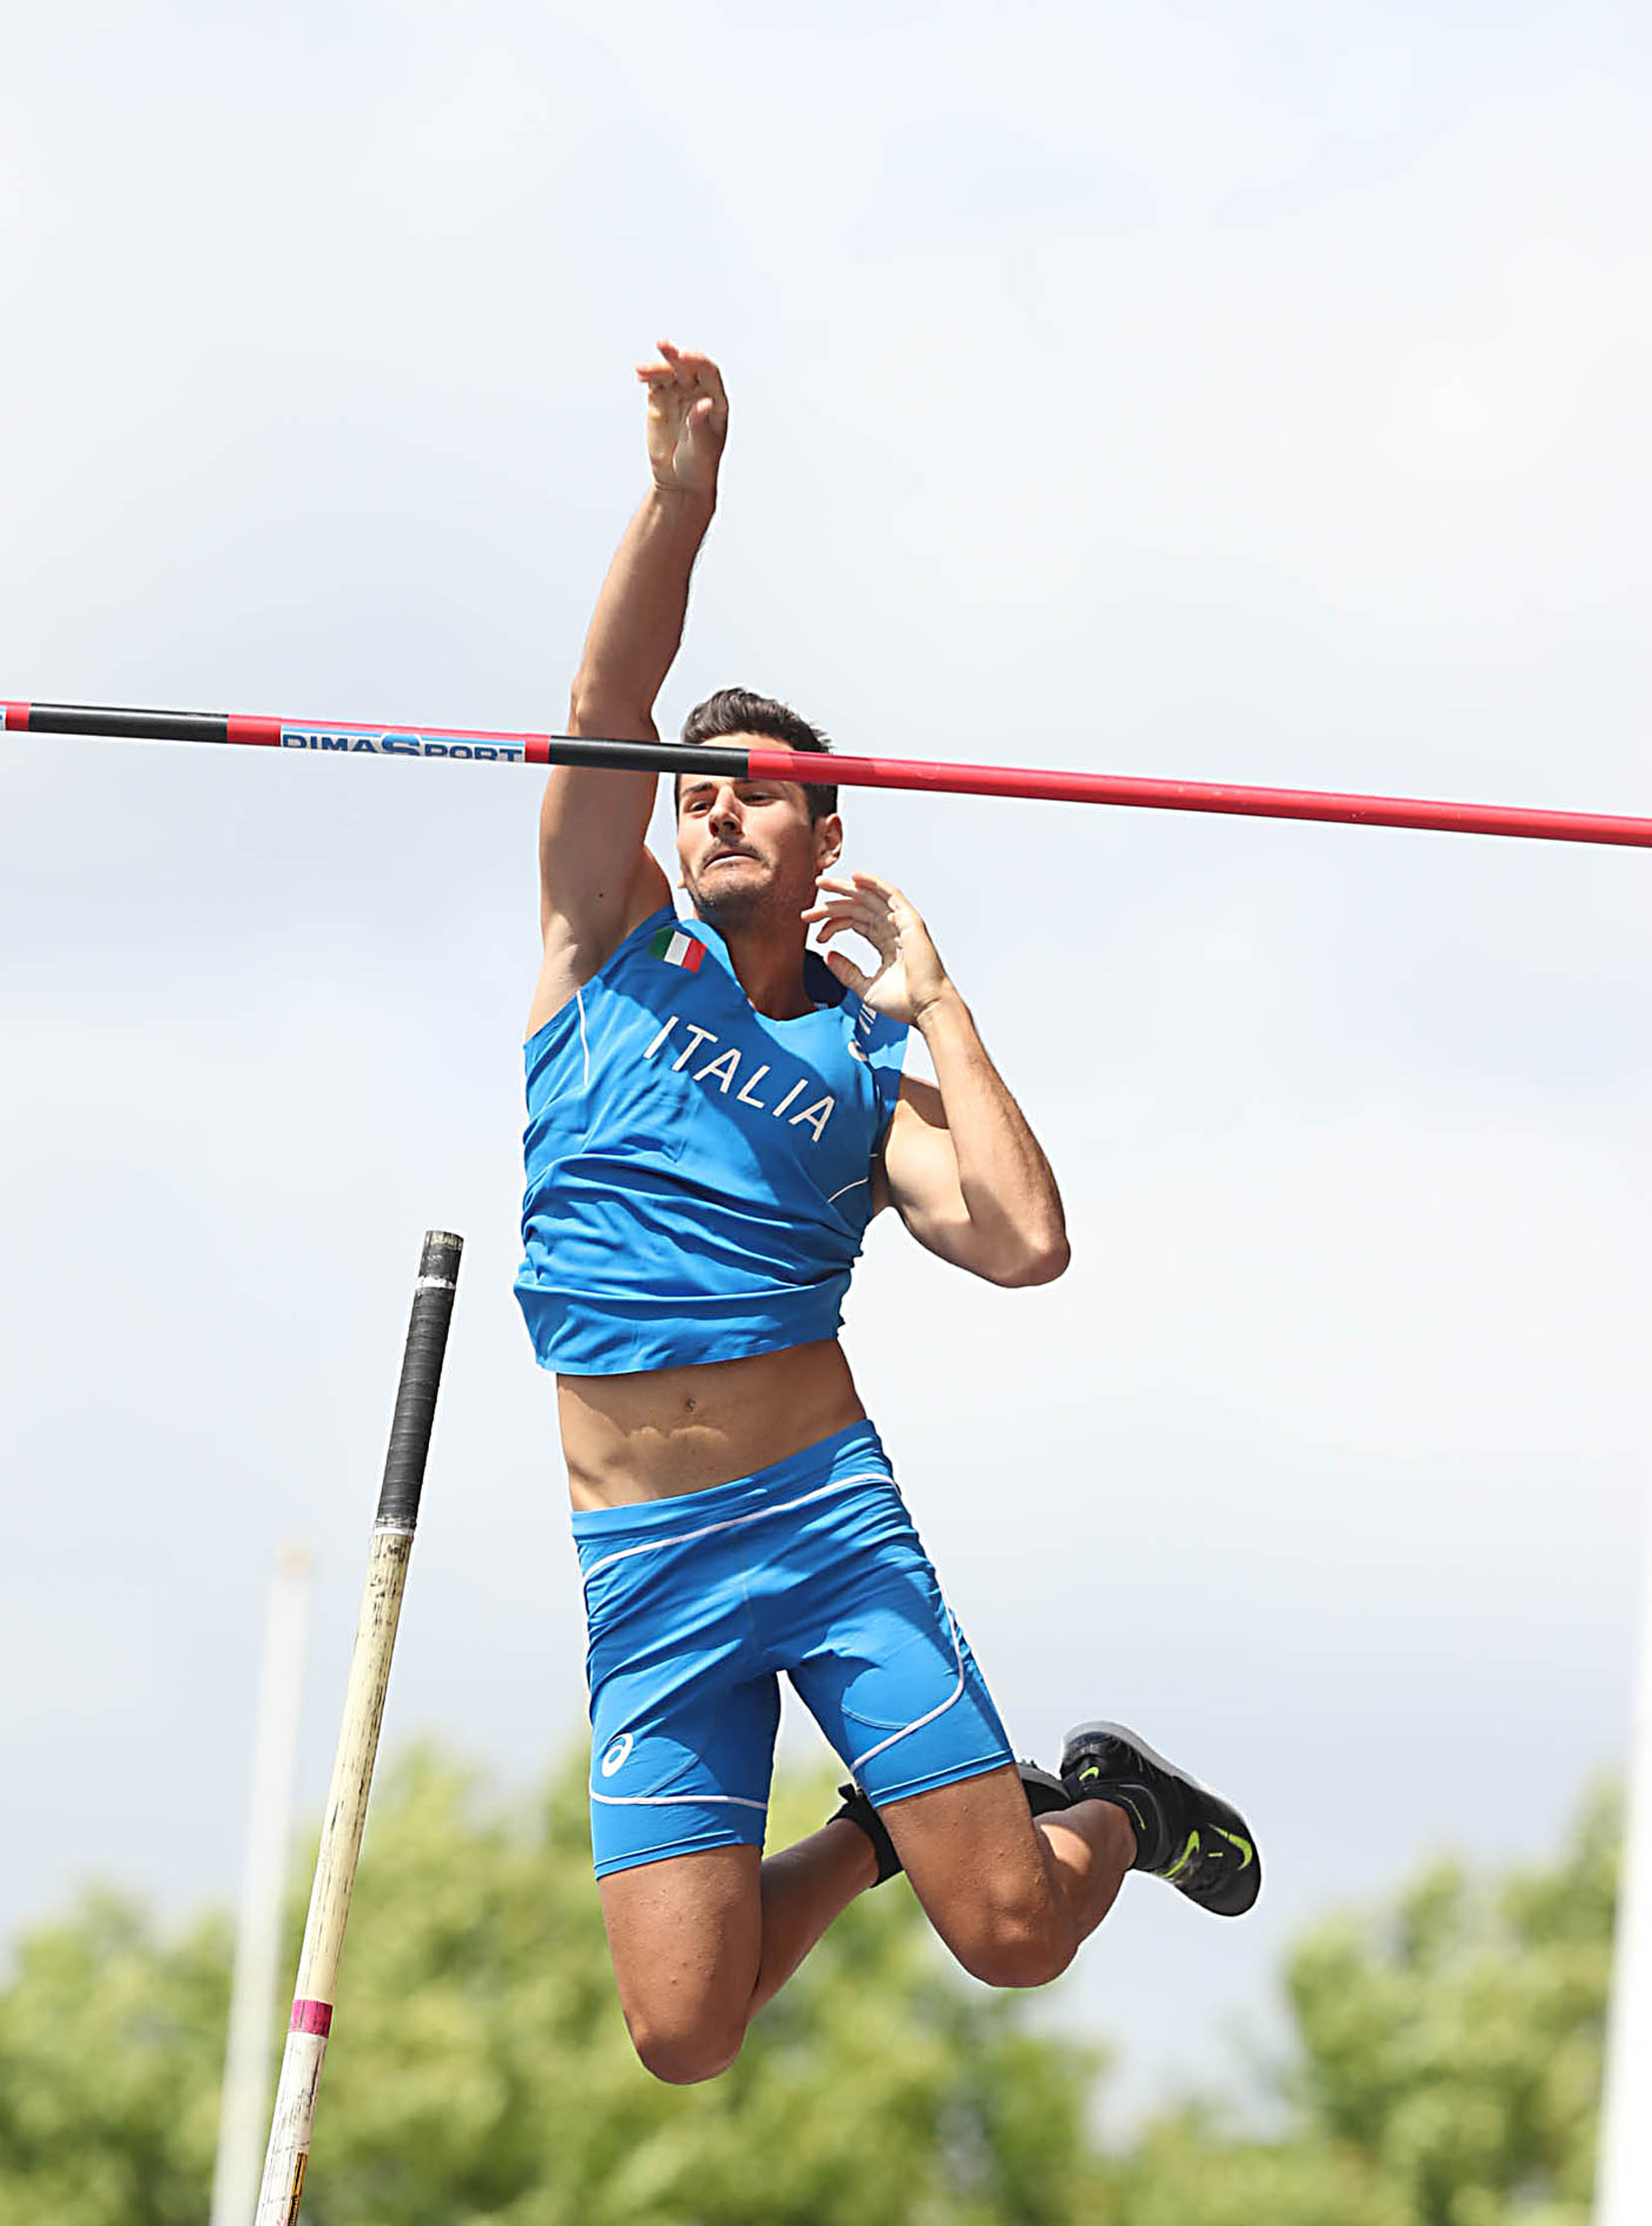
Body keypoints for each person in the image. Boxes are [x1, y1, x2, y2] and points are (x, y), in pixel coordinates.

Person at [515, 341, 1259, 2086]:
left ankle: (1124, 1814)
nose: (711, 807)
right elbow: (613, 695)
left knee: (1008, 1934)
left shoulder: (868, 1063)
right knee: (686, 2031)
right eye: (692, 793)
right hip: (643, 1566)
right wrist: (676, 504)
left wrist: (938, 1002)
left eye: (750, 786)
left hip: (821, 1531)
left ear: (825, 819)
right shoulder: (602, 949)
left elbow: (1022, 1239)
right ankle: (869, 1832)